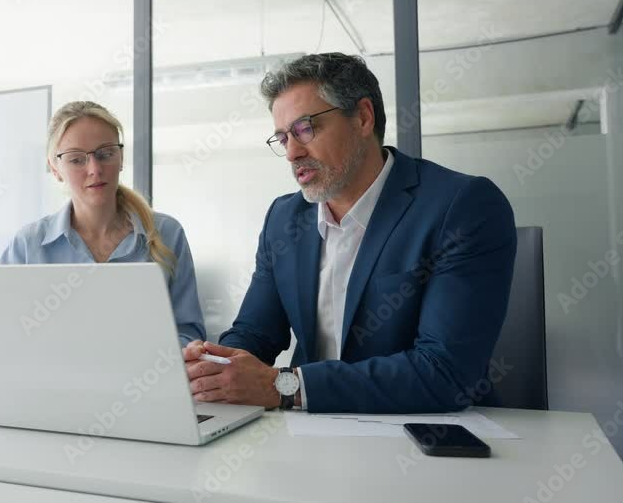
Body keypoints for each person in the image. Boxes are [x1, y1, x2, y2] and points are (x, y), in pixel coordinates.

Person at [184, 53, 517, 413]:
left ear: (362, 117)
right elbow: (255, 332)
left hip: (426, 431)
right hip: (307, 429)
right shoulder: (284, 218)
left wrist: (281, 386)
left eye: (305, 129)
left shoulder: (461, 206)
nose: (292, 153)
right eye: (282, 138)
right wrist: (215, 364)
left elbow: (445, 372)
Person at [0, 101, 205, 346]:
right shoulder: (28, 245)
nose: (95, 169)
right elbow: (3, 332)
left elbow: (188, 333)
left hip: (146, 371)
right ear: (55, 168)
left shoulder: (167, 233)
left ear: (120, 157)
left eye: (105, 154)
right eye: (76, 159)